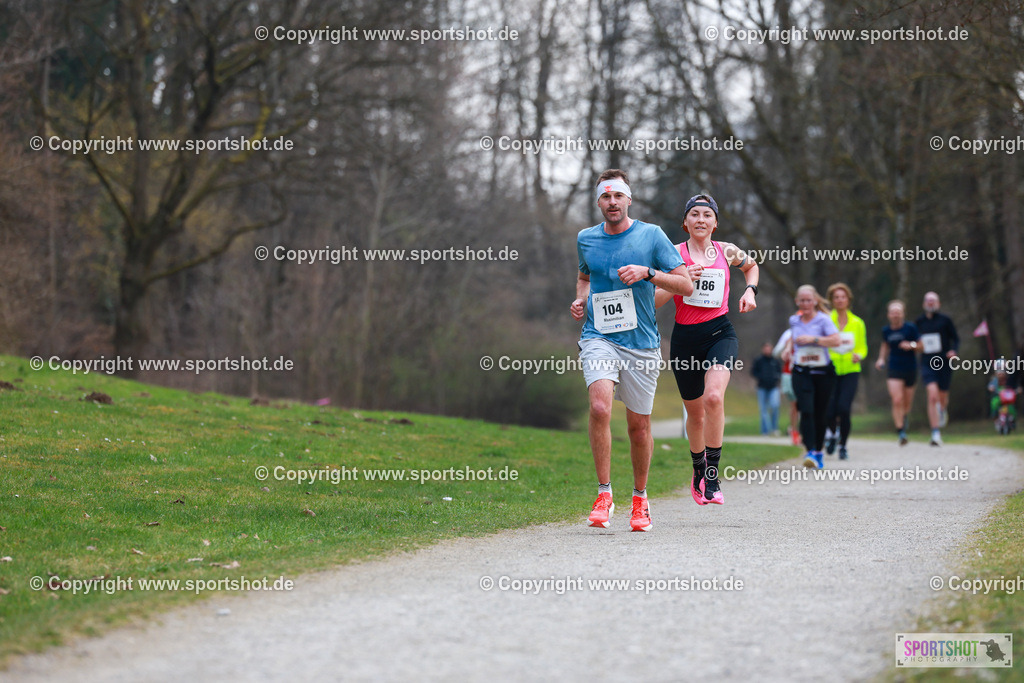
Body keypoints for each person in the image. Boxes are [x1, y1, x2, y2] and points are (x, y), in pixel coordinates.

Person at [571, 170, 693, 532]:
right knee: (599, 406)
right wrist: (580, 300)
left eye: (618, 196)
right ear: (598, 202)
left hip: (641, 343)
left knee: (639, 427)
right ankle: (604, 494)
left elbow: (685, 284)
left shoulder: (652, 236)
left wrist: (648, 273)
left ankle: (640, 499)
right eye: (605, 197)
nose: (612, 203)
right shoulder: (586, 239)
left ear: (628, 199)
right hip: (599, 336)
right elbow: (584, 277)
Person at [654, 193, 759, 505]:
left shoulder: (727, 251)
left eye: (707, 215)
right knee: (695, 413)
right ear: (685, 222)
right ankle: (698, 470)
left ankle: (712, 474)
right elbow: (653, 298)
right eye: (694, 214)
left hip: (719, 334)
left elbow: (751, 267)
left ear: (715, 222)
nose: (701, 219)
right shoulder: (672, 254)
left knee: (714, 397)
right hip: (685, 340)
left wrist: (750, 291)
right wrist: (680, 281)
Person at [781, 285, 841, 469]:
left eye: (809, 300)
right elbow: (794, 336)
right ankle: (810, 451)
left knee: (820, 413)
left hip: (823, 373)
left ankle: (819, 451)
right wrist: (786, 347)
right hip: (801, 371)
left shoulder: (824, 320)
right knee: (805, 410)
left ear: (815, 301)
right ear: (797, 302)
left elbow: (836, 340)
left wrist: (814, 339)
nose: (806, 303)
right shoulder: (794, 320)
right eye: (802, 300)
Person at [823, 283, 868, 460]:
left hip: (851, 370)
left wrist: (859, 355)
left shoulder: (858, 322)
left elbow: (863, 347)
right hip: (830, 369)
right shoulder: (826, 320)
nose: (840, 300)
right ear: (832, 300)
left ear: (848, 299)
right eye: (836, 297)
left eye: (843, 297)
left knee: (844, 408)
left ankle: (843, 445)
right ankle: (832, 435)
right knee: (829, 410)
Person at [915, 292, 959, 446]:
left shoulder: (945, 320)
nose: (931, 303)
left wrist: (954, 351)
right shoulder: (919, 322)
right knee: (932, 395)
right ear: (924, 304)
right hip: (927, 362)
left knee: (942, 396)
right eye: (928, 300)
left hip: (944, 362)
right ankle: (935, 433)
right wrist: (914, 346)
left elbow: (956, 339)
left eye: (933, 301)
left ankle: (942, 408)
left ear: (938, 303)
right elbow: (915, 341)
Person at [874, 300, 919, 445]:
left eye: (898, 312)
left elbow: (921, 345)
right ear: (889, 315)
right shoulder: (886, 331)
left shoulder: (911, 328)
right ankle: (900, 431)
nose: (895, 314)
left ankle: (904, 417)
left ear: (903, 313)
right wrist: (881, 359)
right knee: (897, 399)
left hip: (910, 367)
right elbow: (885, 345)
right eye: (893, 312)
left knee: (907, 402)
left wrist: (911, 345)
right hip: (894, 367)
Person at [774, 327, 800, 445]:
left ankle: (808, 431)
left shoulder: (816, 330)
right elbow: (776, 352)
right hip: (789, 374)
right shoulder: (788, 333)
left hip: (809, 374)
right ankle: (794, 431)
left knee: (807, 404)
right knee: (794, 405)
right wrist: (786, 347)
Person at [752, 341, 782, 435]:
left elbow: (779, 371)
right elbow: (753, 372)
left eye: (769, 348)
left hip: (774, 387)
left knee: (775, 405)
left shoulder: (775, 360)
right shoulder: (759, 360)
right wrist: (761, 377)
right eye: (765, 348)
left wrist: (776, 377)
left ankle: (774, 428)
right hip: (762, 387)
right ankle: (765, 430)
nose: (767, 350)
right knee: (763, 409)